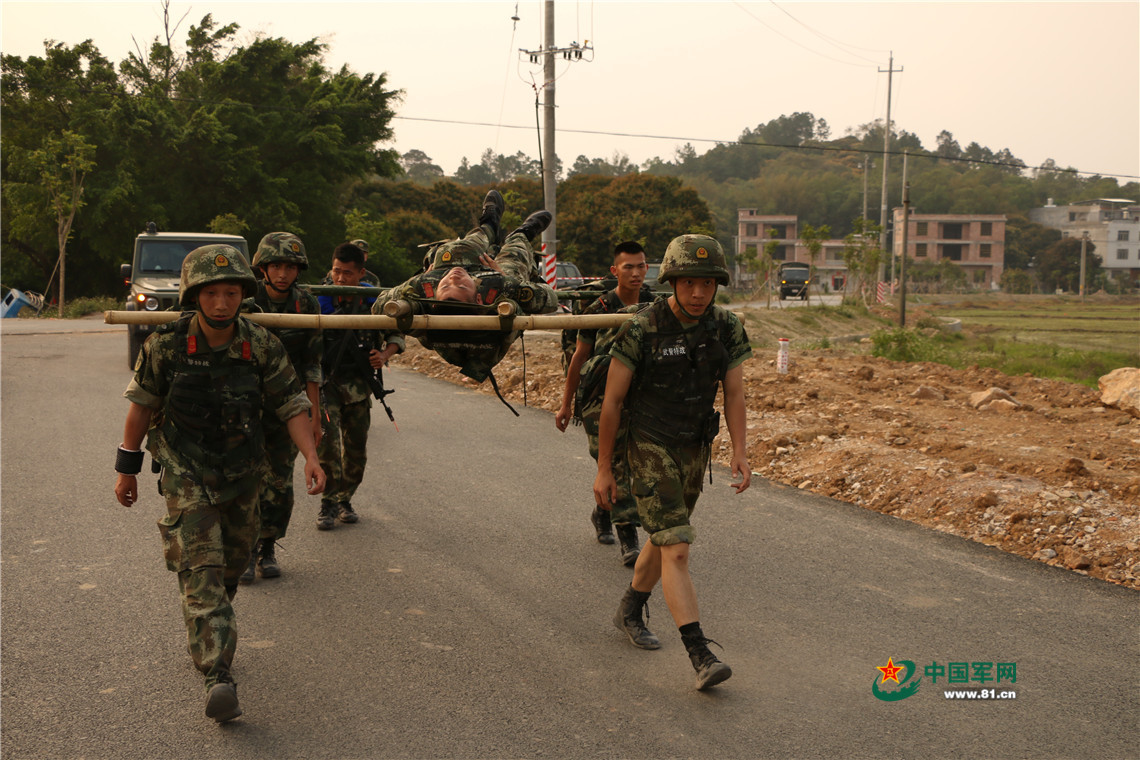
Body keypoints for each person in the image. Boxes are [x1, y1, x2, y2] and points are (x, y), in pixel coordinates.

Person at [113, 244, 325, 722]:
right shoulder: (166, 345)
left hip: (244, 473)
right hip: (186, 470)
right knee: (202, 570)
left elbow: (292, 403)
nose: (222, 303)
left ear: (243, 295)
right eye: (211, 293)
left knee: (230, 568)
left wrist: (311, 456)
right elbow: (141, 406)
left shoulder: (261, 344)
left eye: (231, 293)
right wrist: (126, 469)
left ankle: (210, 626)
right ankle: (218, 675)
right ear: (194, 295)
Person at [593, 234, 752, 691]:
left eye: (707, 284)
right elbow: (612, 402)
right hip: (648, 444)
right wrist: (604, 468)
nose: (698, 293)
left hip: (694, 448)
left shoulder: (726, 327)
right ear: (672, 282)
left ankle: (629, 608)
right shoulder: (642, 328)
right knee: (677, 547)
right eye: (688, 283)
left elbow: (735, 393)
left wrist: (740, 451)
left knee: (665, 538)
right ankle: (700, 654)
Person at [373, 190, 558, 384]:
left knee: (457, 250)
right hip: (489, 329)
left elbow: (378, 306)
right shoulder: (495, 290)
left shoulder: (426, 289)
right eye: (460, 286)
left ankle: (489, 225)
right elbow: (550, 300)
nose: (453, 277)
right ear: (478, 298)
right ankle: (522, 233)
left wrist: (422, 278)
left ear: (434, 296)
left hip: (448, 311)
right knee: (514, 258)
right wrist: (505, 279)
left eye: (445, 285)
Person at [555, 241, 657, 565]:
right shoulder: (598, 308)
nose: (636, 273)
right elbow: (579, 358)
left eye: (641, 266)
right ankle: (629, 537)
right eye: (628, 267)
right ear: (615, 271)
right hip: (600, 398)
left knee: (636, 464)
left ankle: (602, 513)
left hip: (641, 396)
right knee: (612, 464)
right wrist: (566, 404)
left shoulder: (655, 305)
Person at [239, 232, 324, 583]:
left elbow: (313, 364)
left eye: (290, 267)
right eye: (276, 266)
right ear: (262, 268)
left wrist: (314, 414)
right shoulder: (246, 299)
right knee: (244, 478)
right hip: (245, 402)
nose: (283, 274)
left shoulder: (306, 303)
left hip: (288, 405)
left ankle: (267, 546)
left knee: (278, 480)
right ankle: (244, 550)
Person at [316, 241, 403, 530]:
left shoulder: (374, 301)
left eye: (347, 273)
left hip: (358, 386)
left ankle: (345, 498)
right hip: (326, 383)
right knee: (328, 447)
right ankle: (328, 502)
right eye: (336, 271)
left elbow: (397, 334)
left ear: (361, 273)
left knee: (356, 449)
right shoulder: (319, 298)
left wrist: (384, 355)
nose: (340, 279)